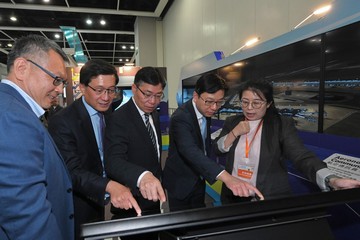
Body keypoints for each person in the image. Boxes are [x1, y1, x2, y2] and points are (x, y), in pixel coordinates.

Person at [214, 79, 360, 204]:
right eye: (245, 102)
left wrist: (331, 179)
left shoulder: (280, 124)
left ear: (269, 103)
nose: (249, 108)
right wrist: (234, 133)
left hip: (266, 198)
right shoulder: (232, 121)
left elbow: (300, 155)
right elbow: (218, 149)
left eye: (256, 103)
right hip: (233, 195)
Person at [48, 59, 141, 240]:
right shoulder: (63, 121)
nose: (106, 97)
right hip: (78, 204)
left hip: (104, 202)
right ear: (82, 88)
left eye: (111, 90)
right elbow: (71, 172)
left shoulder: (110, 114)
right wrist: (109, 186)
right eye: (99, 90)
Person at [0, 34, 74, 239]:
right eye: (56, 79)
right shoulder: (12, 117)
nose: (60, 89)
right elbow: (24, 213)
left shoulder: (16, 110)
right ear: (22, 68)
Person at [162, 73, 263, 212]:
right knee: (181, 222)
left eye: (219, 102)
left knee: (198, 217)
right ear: (196, 96)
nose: (214, 107)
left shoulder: (205, 111)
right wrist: (228, 178)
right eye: (209, 101)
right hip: (180, 181)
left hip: (199, 178)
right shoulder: (181, 117)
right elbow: (189, 150)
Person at [105, 66, 167, 220]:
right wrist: (143, 176)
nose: (152, 101)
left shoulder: (153, 113)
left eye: (158, 95)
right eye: (147, 94)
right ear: (134, 88)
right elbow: (114, 162)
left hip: (153, 197)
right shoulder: (119, 118)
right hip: (131, 201)